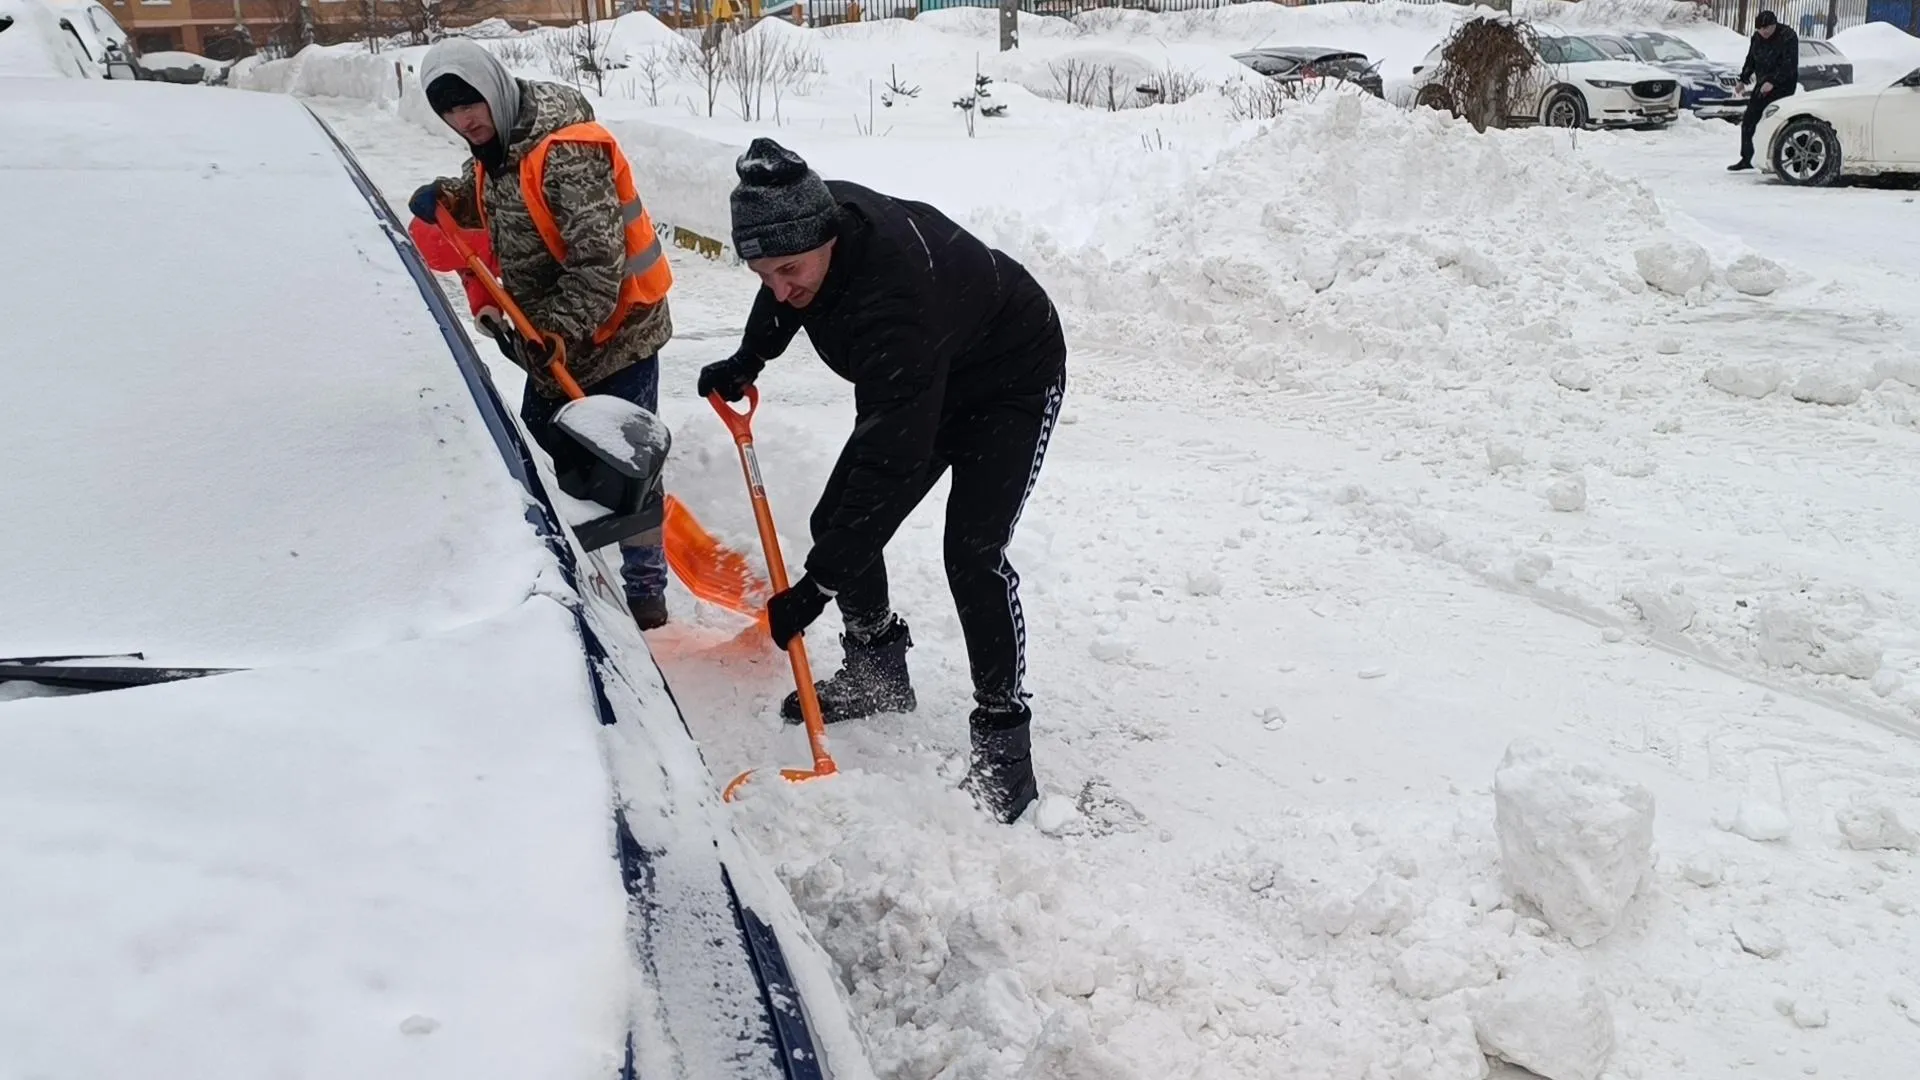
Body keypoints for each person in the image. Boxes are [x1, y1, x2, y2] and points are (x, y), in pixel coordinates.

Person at [698, 139, 1067, 825]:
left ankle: (1003, 743)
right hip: (931, 369)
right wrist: (750, 357)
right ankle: (877, 672)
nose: (779, 288)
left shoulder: (893, 297)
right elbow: (786, 293)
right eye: (762, 274)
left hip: (1009, 375)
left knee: (972, 553)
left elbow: (888, 465)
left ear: (828, 239)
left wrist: (816, 588)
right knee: (834, 521)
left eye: (789, 270)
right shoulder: (805, 229)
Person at [406, 38, 676, 631]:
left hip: (617, 335)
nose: (463, 120)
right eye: (449, 111)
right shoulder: (498, 144)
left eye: (469, 104)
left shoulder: (566, 152)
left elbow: (599, 265)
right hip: (552, 342)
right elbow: (490, 198)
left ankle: (646, 591)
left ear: (493, 89)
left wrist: (556, 329)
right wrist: (449, 197)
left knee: (628, 471)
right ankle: (581, 570)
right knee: (547, 449)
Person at [1730, 10, 1798, 172]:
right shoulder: (1757, 38)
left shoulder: (1787, 36)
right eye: (1760, 29)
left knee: (1777, 121)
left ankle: (1783, 158)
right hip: (1763, 85)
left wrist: (1773, 81)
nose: (1764, 32)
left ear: (1774, 25)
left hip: (1784, 85)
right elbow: (1751, 59)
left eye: (1767, 28)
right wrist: (1743, 79)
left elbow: (1789, 64)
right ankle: (1747, 158)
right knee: (1749, 121)